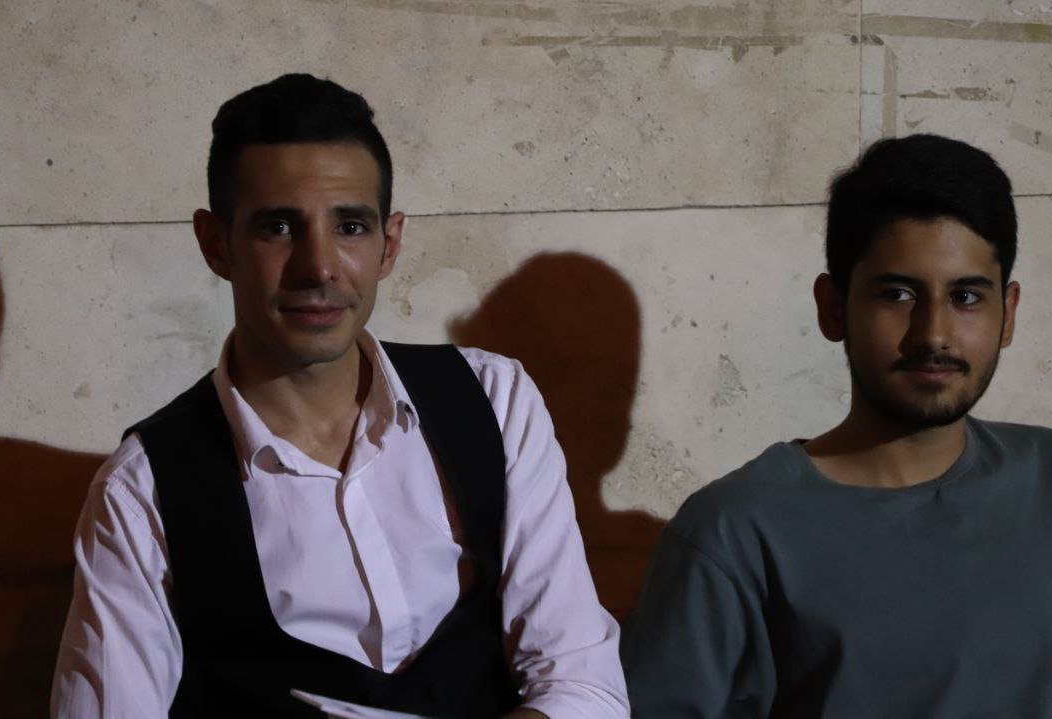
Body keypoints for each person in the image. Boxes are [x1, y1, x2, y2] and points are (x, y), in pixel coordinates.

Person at [51, 74, 629, 718]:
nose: (319, 266)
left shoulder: (494, 399)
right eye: (278, 226)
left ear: (390, 244)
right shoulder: (141, 491)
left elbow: (582, 681)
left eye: (351, 226)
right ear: (216, 244)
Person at [619, 134, 1052, 718]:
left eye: (966, 297)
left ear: (1008, 313)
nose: (934, 334)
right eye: (898, 294)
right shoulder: (734, 531)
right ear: (832, 307)